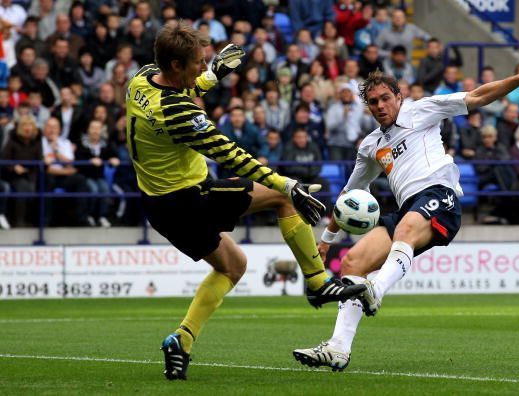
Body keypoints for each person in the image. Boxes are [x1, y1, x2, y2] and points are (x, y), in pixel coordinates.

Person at [125, 22, 365, 381]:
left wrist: (212, 75)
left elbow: (182, 90)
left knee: (233, 266)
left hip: (158, 206)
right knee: (283, 201)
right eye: (197, 63)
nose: (201, 67)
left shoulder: (141, 80)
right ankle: (317, 282)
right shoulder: (178, 114)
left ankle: (182, 340)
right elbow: (231, 154)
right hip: (190, 198)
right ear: (176, 65)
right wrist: (287, 184)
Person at [293, 55, 519, 371]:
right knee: (353, 262)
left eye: (385, 99)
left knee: (405, 228)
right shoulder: (370, 146)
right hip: (408, 209)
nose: (380, 106)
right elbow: (348, 194)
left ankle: (376, 291)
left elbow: (477, 97)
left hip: (440, 197)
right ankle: (338, 347)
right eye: (373, 102)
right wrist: (326, 240)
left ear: (399, 97)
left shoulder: (422, 110)